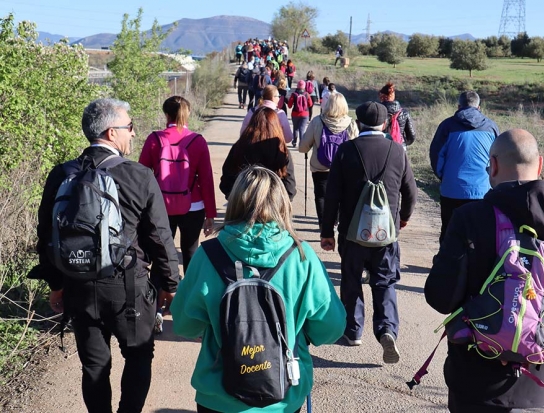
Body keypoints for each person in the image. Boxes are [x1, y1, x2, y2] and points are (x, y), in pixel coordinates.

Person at [425, 129, 544, 412]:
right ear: (539, 165)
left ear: (492, 165)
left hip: (473, 377)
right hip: (539, 384)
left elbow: (441, 297)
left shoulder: (468, 219)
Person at [31, 98, 179, 413]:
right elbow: (159, 237)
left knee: (94, 364)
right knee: (138, 356)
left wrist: (56, 284)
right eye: (129, 128)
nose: (133, 134)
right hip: (128, 287)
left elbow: (46, 236)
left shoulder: (61, 174)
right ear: (112, 132)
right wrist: (169, 283)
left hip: (77, 283)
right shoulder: (139, 175)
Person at [172, 165, 345, 413]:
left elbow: (183, 324)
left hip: (218, 397)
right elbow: (331, 328)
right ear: (283, 204)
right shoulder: (301, 256)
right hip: (284, 396)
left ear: (234, 202)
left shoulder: (207, 256)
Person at [320, 101, 417, 363]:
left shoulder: (346, 150)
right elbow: (411, 192)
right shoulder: (397, 151)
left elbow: (332, 196)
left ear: (358, 123)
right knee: (384, 282)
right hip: (386, 234)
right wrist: (402, 219)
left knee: (351, 281)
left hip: (353, 234)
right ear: (385, 123)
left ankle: (353, 331)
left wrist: (327, 231)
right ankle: (387, 329)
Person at [139, 96, 217, 275]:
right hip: (193, 204)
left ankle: (161, 294)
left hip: (161, 205)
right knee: (190, 250)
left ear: (166, 114)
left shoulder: (154, 139)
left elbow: (142, 175)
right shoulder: (197, 141)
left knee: (162, 252)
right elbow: (206, 179)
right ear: (187, 114)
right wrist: (210, 214)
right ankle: (188, 295)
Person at [429, 90, 500, 243]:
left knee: (449, 231)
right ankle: (475, 266)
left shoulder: (446, 126)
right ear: (479, 107)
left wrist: (444, 177)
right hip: (482, 191)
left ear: (458, 106)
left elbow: (436, 156)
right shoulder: (491, 127)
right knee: (479, 234)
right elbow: (497, 159)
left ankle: (445, 266)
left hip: (452, 189)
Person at [299, 92, 358, 230]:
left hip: (320, 167)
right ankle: (335, 221)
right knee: (340, 196)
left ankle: (323, 224)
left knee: (321, 196)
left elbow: (303, 147)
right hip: (343, 168)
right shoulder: (351, 124)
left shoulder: (317, 121)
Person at [220, 106, 296, 200]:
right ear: (277, 126)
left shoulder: (239, 147)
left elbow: (225, 182)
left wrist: (237, 198)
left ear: (252, 124)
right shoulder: (281, 151)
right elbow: (290, 189)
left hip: (242, 207)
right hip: (272, 207)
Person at [378, 82, 416, 147]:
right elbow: (411, 136)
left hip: (382, 147)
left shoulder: (377, 111)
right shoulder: (404, 113)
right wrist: (404, 144)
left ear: (382, 97)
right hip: (399, 146)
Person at [287, 80, 313, 148]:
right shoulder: (307, 94)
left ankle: (294, 142)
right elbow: (310, 104)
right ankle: (301, 144)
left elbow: (289, 105)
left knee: (295, 129)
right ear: (304, 86)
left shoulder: (294, 94)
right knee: (302, 129)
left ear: (297, 86)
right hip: (305, 114)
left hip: (295, 114)